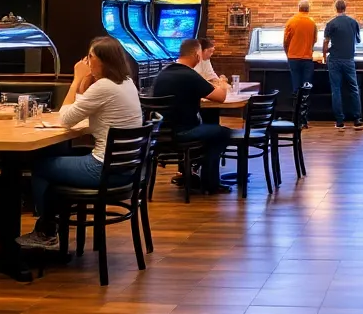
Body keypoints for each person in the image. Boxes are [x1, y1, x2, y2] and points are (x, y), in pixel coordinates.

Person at [18, 36, 144, 250]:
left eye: (90, 57)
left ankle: (46, 231)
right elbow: (84, 106)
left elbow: (65, 118)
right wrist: (86, 81)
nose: (86, 61)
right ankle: (51, 224)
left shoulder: (104, 86)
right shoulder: (126, 82)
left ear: (102, 60)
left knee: (40, 166)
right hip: (125, 169)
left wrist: (76, 79)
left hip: (102, 170)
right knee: (54, 160)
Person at [153, 39, 232, 194]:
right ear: (197, 55)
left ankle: (190, 175)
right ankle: (210, 184)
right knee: (222, 132)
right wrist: (222, 84)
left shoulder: (163, 73)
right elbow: (220, 97)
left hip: (161, 134)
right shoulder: (189, 75)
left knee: (207, 130)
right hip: (183, 132)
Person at [322, 0, 363, 130]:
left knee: (336, 90)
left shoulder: (331, 23)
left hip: (334, 60)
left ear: (335, 8)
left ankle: (340, 121)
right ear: (345, 8)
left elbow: (325, 43)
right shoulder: (353, 22)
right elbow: (358, 40)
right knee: (354, 88)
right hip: (349, 59)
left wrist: (324, 55)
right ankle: (357, 119)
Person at [283, 0, 317, 95]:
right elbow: (314, 40)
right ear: (308, 9)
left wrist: (288, 53)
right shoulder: (312, 23)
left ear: (299, 8)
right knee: (306, 86)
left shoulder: (291, 21)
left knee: (296, 84)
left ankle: (296, 101)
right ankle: (304, 103)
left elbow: (286, 41)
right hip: (307, 58)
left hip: (293, 58)